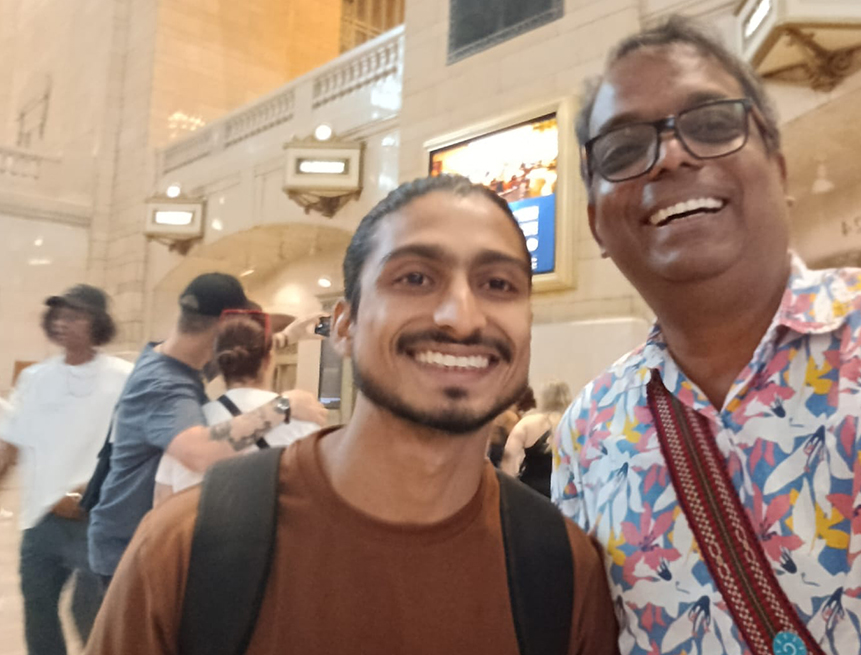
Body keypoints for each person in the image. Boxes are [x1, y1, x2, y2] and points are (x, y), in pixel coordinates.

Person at [554, 14, 861, 655]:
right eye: (623, 150)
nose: (673, 154)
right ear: (596, 223)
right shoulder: (588, 434)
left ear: (780, 170)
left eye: (710, 125)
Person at [86, 175, 620, 655]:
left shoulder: (563, 569)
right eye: (415, 278)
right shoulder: (187, 548)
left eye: (498, 285)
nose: (461, 316)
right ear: (343, 326)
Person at [87, 272, 327, 583]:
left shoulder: (170, 357)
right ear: (223, 327)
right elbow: (200, 452)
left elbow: (236, 357)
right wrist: (284, 406)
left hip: (139, 539)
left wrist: (287, 337)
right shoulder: (162, 384)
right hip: (129, 550)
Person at [0, 285, 132, 655]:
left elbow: (133, 447)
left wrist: (93, 489)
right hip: (40, 520)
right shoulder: (35, 378)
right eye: (57, 316)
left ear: (98, 323)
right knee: (38, 613)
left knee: (89, 613)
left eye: (73, 316)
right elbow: (11, 441)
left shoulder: (123, 378)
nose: (61, 323)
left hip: (97, 520)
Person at [153, 313, 320, 504]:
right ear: (268, 360)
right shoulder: (303, 422)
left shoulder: (188, 428)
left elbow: (161, 499)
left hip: (198, 531)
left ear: (219, 364)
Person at [502, 380, 571, 497]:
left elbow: (508, 460)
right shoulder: (575, 424)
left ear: (542, 398)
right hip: (565, 491)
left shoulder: (527, 424)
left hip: (532, 492)